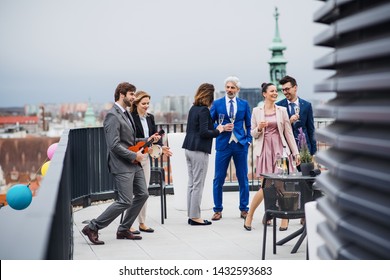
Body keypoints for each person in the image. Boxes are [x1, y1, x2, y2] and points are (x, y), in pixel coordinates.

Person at [82, 82, 158, 244]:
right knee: (125, 200)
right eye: (131, 94)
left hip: (133, 162)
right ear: (122, 95)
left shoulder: (126, 113)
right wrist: (134, 156)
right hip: (122, 164)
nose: (134, 97)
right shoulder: (112, 115)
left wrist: (147, 140)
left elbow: (129, 140)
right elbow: (114, 145)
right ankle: (93, 227)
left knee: (143, 194)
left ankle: (124, 229)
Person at [243, 82, 300, 231]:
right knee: (265, 187)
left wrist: (295, 153)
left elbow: (288, 133)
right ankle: (250, 215)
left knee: (282, 184)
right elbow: (253, 134)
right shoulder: (256, 110)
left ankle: (284, 218)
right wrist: (259, 128)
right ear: (264, 94)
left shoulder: (282, 110)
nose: (275, 93)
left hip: (280, 152)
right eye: (272, 91)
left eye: (276, 91)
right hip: (264, 153)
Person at [129, 90, 172, 234]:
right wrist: (147, 140)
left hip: (146, 156)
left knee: (143, 190)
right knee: (131, 191)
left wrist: (159, 144)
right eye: (144, 103)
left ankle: (142, 222)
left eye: (148, 103)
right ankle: (128, 224)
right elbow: (130, 139)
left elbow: (154, 138)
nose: (146, 106)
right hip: (134, 155)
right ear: (136, 103)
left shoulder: (150, 118)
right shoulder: (130, 118)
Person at [209, 76, 252, 221]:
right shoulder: (217, 103)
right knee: (218, 178)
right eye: (227, 87)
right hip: (223, 144)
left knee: (243, 178)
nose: (229, 90)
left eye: (232, 87)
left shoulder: (244, 104)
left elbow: (249, 124)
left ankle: (244, 209)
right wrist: (219, 127)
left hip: (240, 144)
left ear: (237, 90)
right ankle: (217, 210)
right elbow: (210, 123)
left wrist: (248, 141)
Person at [182, 83, 224, 226]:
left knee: (191, 184)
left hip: (188, 148)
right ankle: (195, 217)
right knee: (198, 185)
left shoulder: (193, 108)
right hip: (199, 150)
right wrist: (219, 130)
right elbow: (204, 133)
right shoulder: (204, 111)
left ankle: (191, 214)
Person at [276, 75, 317, 156]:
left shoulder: (306, 105)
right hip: (286, 150)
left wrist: (313, 152)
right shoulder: (278, 106)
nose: (285, 92)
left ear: (295, 87)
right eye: (283, 90)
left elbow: (311, 129)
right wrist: (289, 121)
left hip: (304, 149)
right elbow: (277, 130)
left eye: (287, 89)